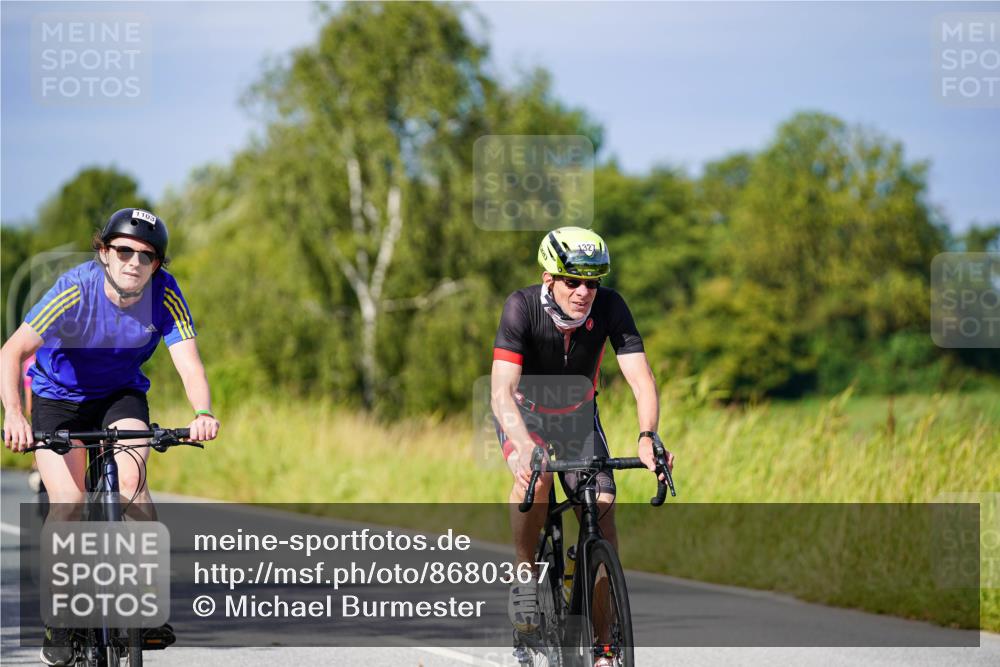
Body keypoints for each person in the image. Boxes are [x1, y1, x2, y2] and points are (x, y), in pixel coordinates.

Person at [1, 207, 220, 666]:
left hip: (120, 395)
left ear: (157, 264)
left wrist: (202, 411)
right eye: (123, 251)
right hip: (58, 397)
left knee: (134, 488)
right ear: (104, 252)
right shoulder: (76, 288)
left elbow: (189, 362)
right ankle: (61, 622)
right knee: (68, 502)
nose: (133, 263)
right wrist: (15, 415)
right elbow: (13, 350)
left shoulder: (165, 294)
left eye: (146, 256)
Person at [490, 226, 674, 665]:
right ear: (548, 276)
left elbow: (640, 378)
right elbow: (501, 392)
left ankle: (605, 647)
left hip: (577, 418)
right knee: (534, 483)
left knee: (603, 508)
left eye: (592, 282)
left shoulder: (611, 307)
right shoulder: (521, 308)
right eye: (572, 280)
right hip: (526, 416)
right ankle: (525, 577)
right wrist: (521, 444)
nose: (583, 292)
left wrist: (648, 435)